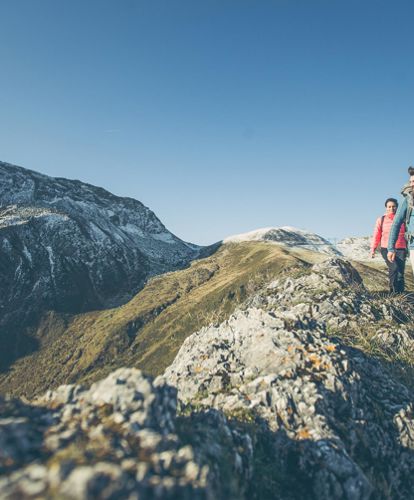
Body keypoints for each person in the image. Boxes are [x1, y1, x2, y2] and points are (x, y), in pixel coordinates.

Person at [371, 198, 407, 292]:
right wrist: (373, 249)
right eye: (389, 206)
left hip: (401, 249)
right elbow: (376, 235)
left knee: (400, 272)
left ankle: (400, 294)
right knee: (394, 267)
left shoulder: (402, 219)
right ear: (386, 208)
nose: (391, 208)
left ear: (397, 207)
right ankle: (392, 291)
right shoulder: (381, 219)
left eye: (394, 206)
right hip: (386, 248)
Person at [388, 167, 414, 283]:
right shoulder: (407, 200)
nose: (412, 185)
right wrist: (391, 248)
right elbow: (396, 224)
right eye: (411, 181)